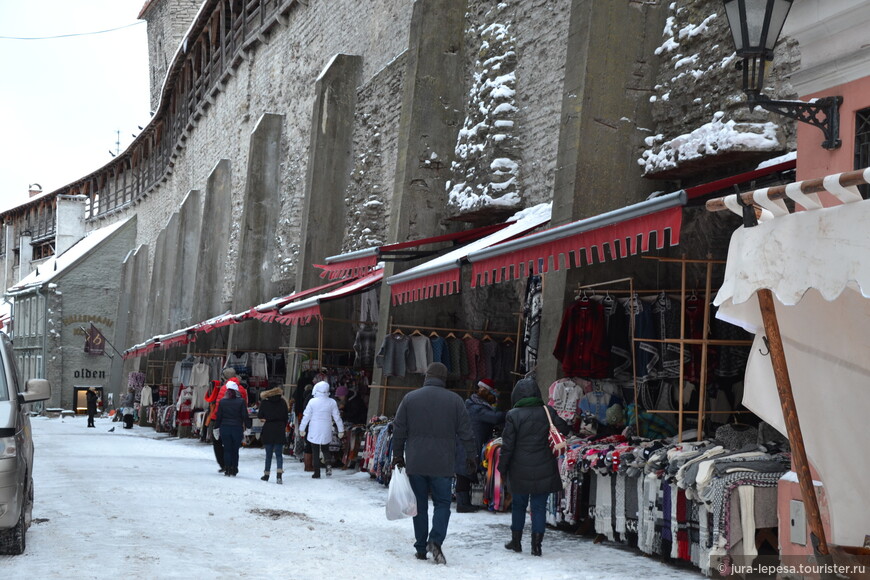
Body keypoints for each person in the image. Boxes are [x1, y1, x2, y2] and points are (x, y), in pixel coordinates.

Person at [391, 362, 476, 565]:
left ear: (427, 376)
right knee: (442, 504)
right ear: (444, 378)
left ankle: (421, 548)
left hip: (416, 461)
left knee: (419, 505)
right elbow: (467, 432)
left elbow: (399, 428)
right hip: (443, 463)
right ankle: (436, 540)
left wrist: (397, 455)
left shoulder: (410, 399)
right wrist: (471, 456)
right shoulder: (455, 401)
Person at [498, 376, 569, 557]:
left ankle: (516, 542)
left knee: (519, 506)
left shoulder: (513, 415)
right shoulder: (547, 411)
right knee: (538, 507)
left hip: (519, 468)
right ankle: (537, 546)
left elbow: (508, 446)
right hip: (544, 466)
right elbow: (565, 429)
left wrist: (502, 468)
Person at [455, 378, 505, 513]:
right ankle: (462, 504)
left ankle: (464, 502)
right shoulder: (478, 408)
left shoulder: (474, 404)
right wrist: (510, 414)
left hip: (465, 442)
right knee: (464, 473)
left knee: (464, 473)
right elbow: (494, 418)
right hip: (467, 443)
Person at [205, 369, 248, 473]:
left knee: (220, 444)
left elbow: (219, 406)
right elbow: (244, 407)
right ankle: (233, 467)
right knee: (234, 447)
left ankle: (225, 465)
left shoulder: (224, 388)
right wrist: (246, 424)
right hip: (237, 423)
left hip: (222, 421)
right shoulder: (242, 389)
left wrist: (216, 421)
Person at [299, 381, 344, 479]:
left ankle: (317, 472)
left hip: (314, 428)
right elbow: (337, 417)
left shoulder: (312, 401)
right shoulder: (332, 402)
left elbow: (306, 416)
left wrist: (302, 428)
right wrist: (341, 430)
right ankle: (328, 465)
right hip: (326, 427)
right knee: (325, 449)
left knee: (315, 450)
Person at [214, 383, 248, 477]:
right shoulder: (241, 401)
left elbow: (219, 417)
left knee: (227, 449)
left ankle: (227, 468)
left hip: (225, 428)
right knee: (235, 450)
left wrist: (216, 428)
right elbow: (245, 416)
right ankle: (234, 468)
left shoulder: (222, 402)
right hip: (237, 428)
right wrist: (248, 427)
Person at [258, 386, 289, 484]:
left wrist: (266, 419)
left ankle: (266, 475)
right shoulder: (283, 402)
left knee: (268, 455)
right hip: (279, 428)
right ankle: (279, 476)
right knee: (279, 454)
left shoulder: (265, 403)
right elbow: (285, 417)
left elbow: (260, 415)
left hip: (268, 429)